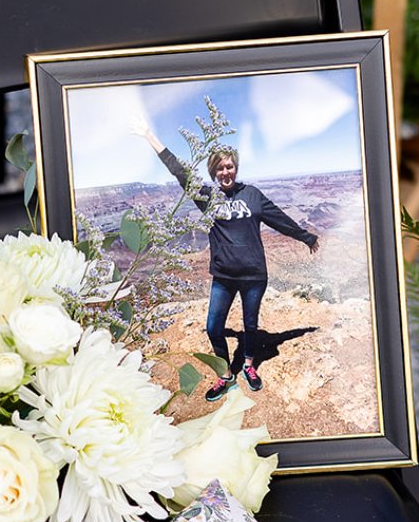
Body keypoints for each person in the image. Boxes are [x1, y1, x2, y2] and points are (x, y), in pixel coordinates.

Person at [132, 118, 320, 401]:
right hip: (223, 276)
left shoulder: (252, 195)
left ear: (236, 167)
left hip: (255, 276)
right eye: (219, 168)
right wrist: (150, 137)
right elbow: (180, 172)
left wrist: (306, 237)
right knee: (213, 327)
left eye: (229, 166)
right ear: (213, 172)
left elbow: (278, 218)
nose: (225, 172)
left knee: (251, 326)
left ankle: (248, 365)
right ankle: (224, 374)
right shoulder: (206, 197)